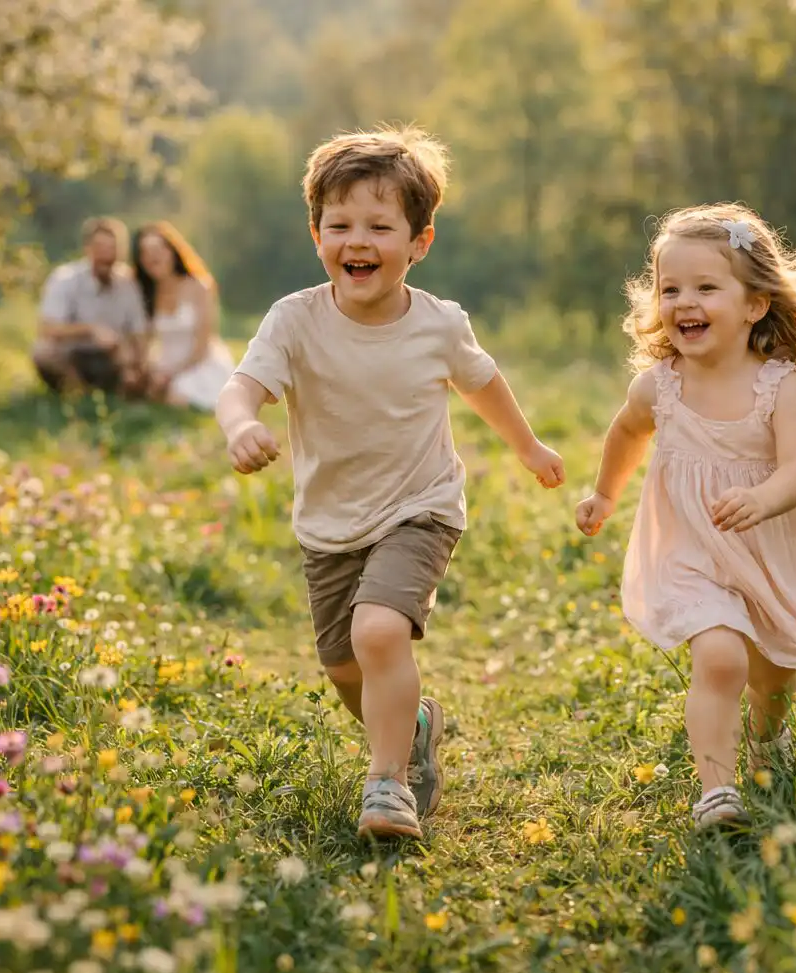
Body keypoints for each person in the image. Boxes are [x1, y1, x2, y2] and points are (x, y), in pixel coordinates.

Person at [216, 125, 566, 839]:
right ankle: (416, 727)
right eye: (339, 225)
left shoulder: (438, 324)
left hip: (420, 507)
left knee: (379, 633)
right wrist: (239, 426)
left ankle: (388, 786)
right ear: (316, 234)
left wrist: (527, 446)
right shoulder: (295, 319)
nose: (359, 241)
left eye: (380, 226)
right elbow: (241, 386)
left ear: (419, 242)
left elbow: (484, 383)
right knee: (346, 669)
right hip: (330, 522)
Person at [575, 202, 796, 830]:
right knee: (722, 656)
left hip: (766, 544)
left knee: (773, 673)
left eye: (706, 287)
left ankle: (767, 736)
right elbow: (625, 434)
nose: (683, 302)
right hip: (692, 552)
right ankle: (717, 790)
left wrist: (762, 498)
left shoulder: (778, 384)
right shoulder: (661, 386)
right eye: (670, 288)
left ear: (754, 304)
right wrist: (604, 496)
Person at [34, 217, 149, 395]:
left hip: (113, 358)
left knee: (145, 360)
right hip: (73, 355)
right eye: (100, 248)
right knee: (43, 351)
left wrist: (137, 365)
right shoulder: (65, 278)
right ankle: (78, 394)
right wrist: (90, 330)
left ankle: (117, 392)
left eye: (112, 249)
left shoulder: (128, 283)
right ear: (87, 249)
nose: (106, 255)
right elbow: (47, 329)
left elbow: (139, 332)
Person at [132, 221, 237, 411]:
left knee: (177, 396)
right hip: (165, 362)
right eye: (145, 252)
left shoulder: (199, 286)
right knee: (147, 392)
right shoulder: (145, 293)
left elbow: (203, 344)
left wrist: (172, 373)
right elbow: (145, 342)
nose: (153, 257)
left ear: (172, 252)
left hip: (200, 361)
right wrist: (150, 369)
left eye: (158, 249)